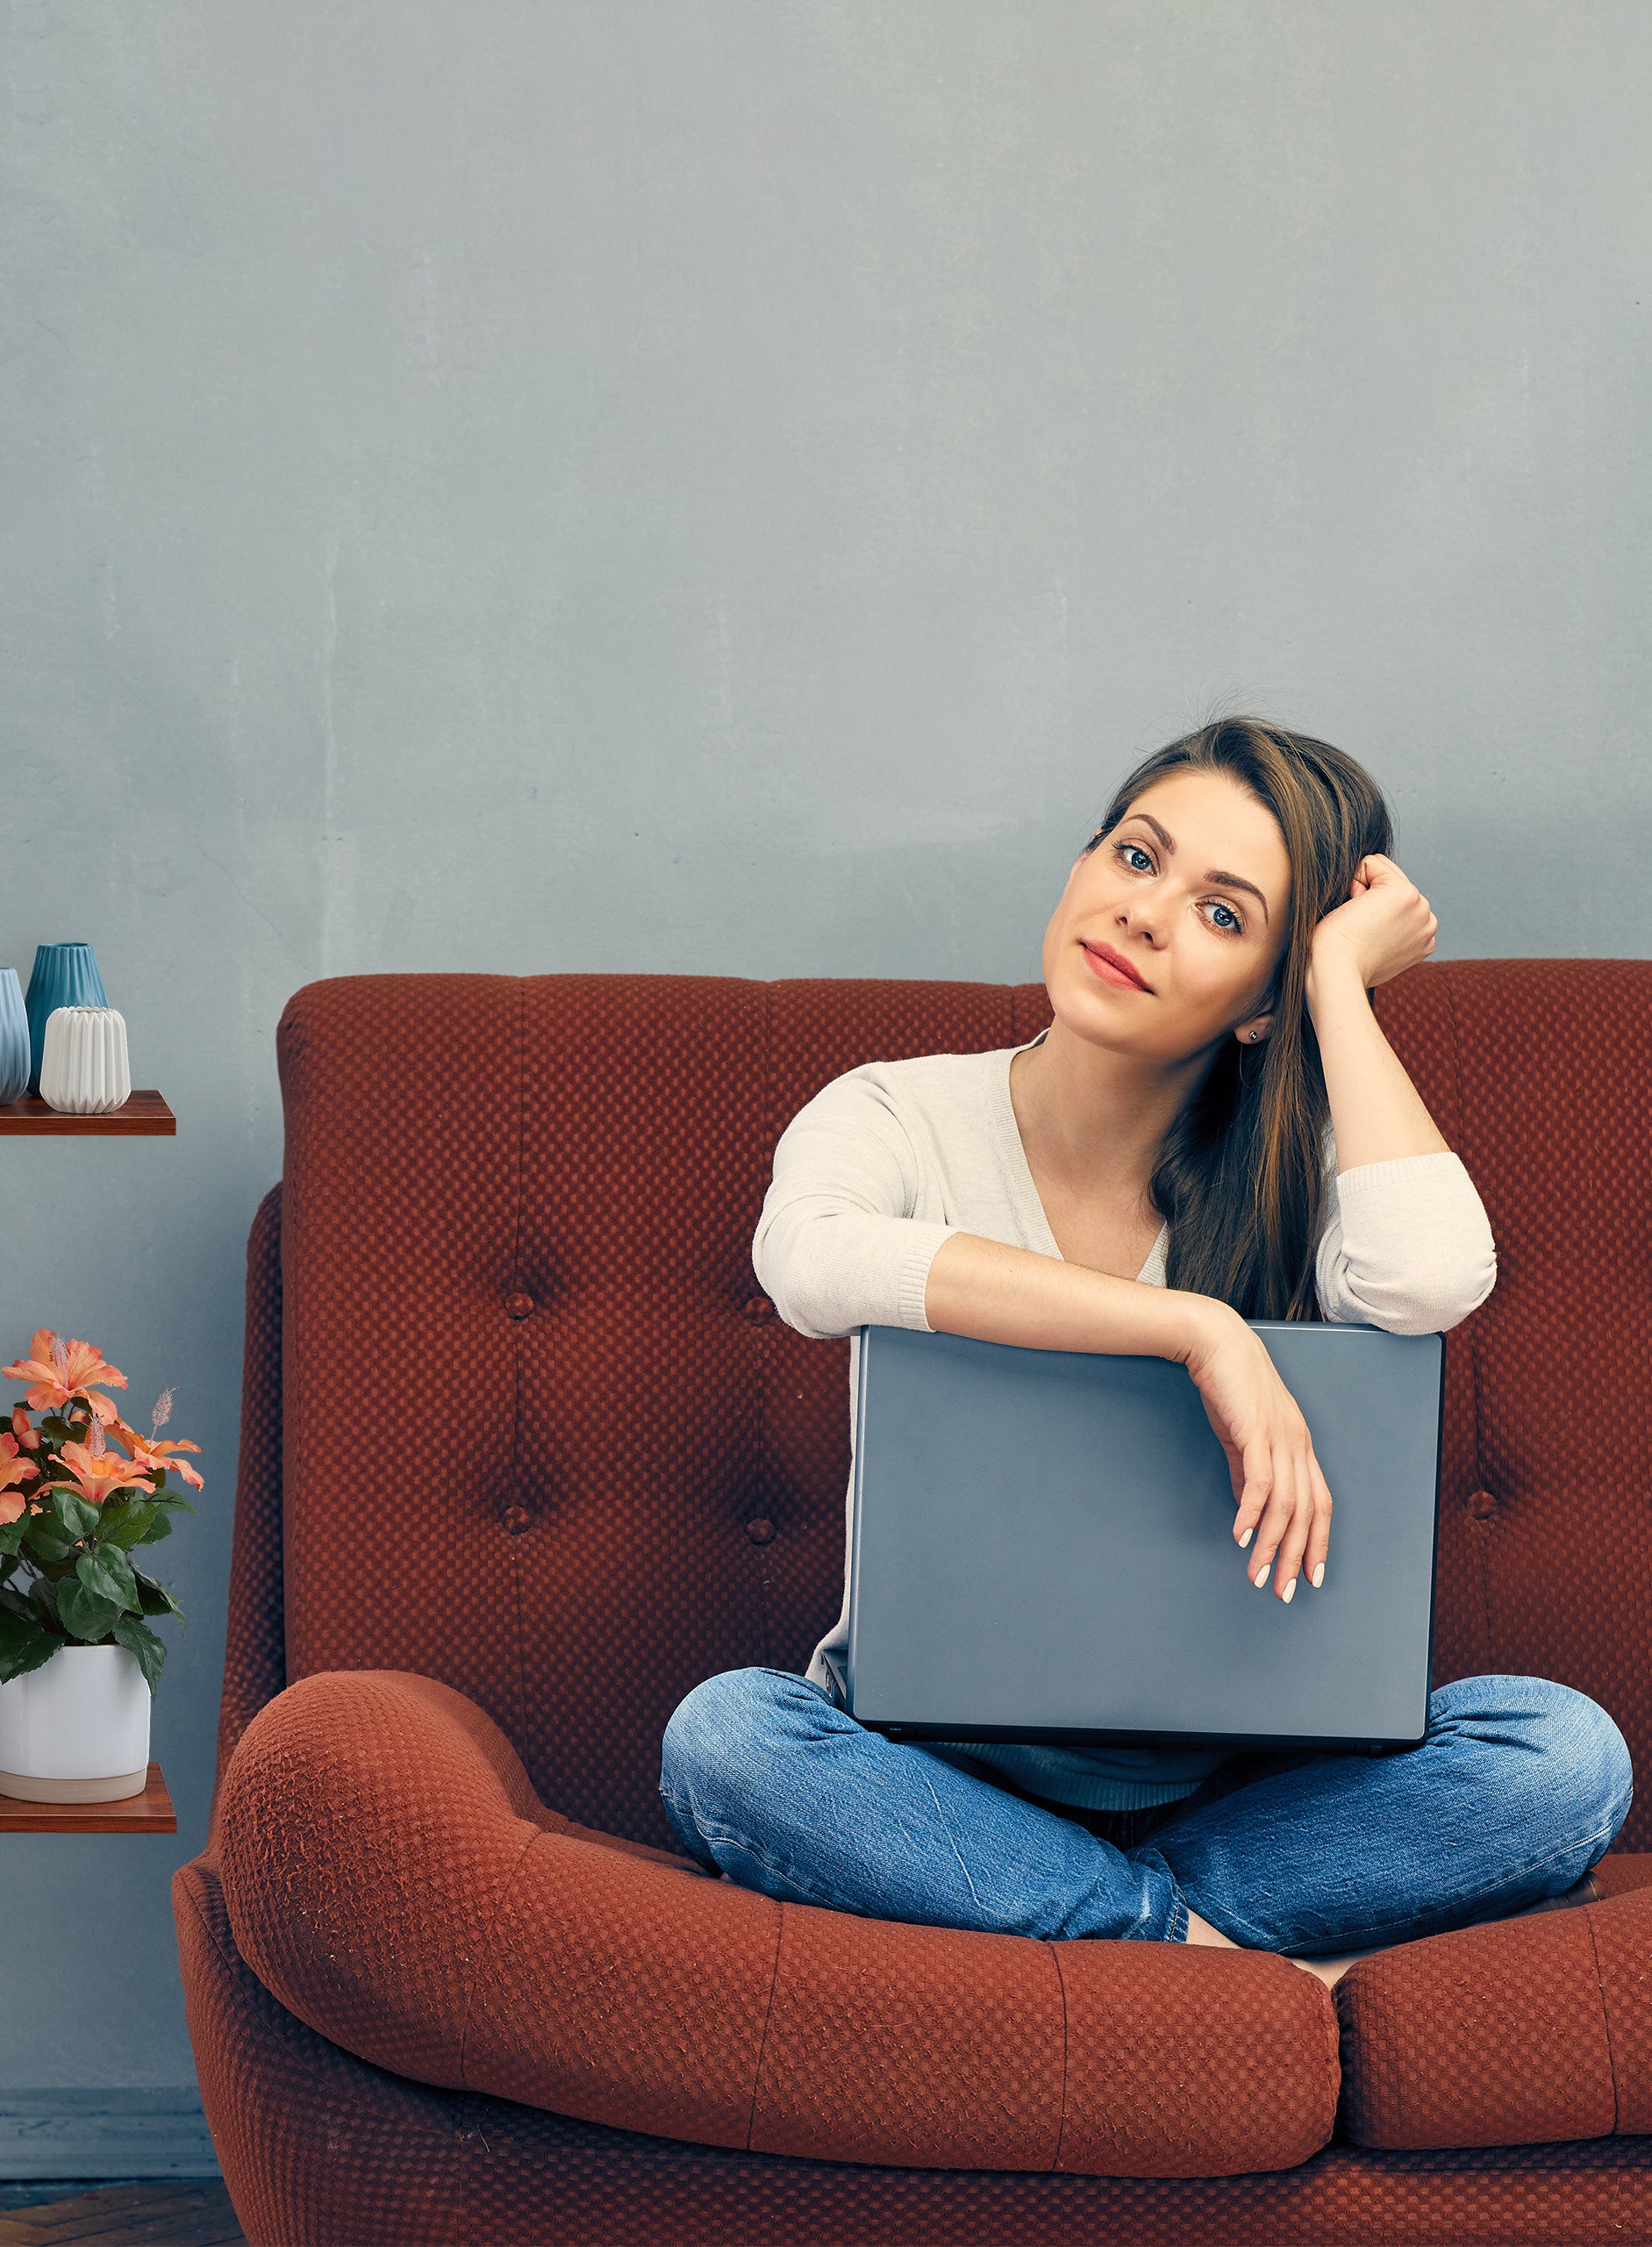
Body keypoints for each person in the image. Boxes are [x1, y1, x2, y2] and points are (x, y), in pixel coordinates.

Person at [659, 715, 1633, 1991]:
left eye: (1225, 917)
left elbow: (1434, 1274)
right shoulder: (894, 1110)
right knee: (728, 1736)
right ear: (1079, 867)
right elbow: (811, 1260)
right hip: (939, 1782)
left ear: (1260, 1004)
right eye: (1134, 857)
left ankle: (1107, 1924)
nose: (1146, 915)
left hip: (1252, 1802)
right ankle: (1202, 1952)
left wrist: (1336, 983)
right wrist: (1190, 1325)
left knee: (1564, 1754)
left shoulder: (1291, 1177)